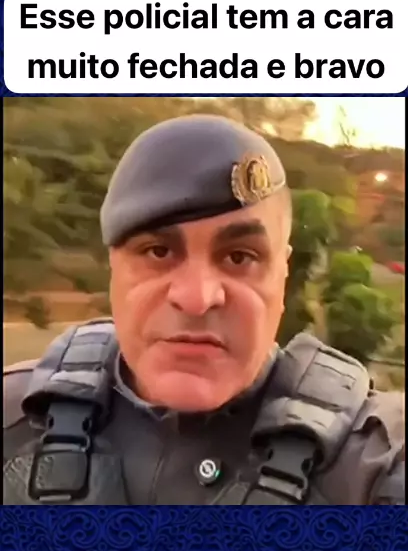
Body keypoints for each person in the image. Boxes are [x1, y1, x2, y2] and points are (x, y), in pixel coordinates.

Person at [3, 115, 405, 505]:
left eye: (239, 257)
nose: (196, 299)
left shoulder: (372, 467)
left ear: (282, 274)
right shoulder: (13, 417)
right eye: (158, 251)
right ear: (114, 267)